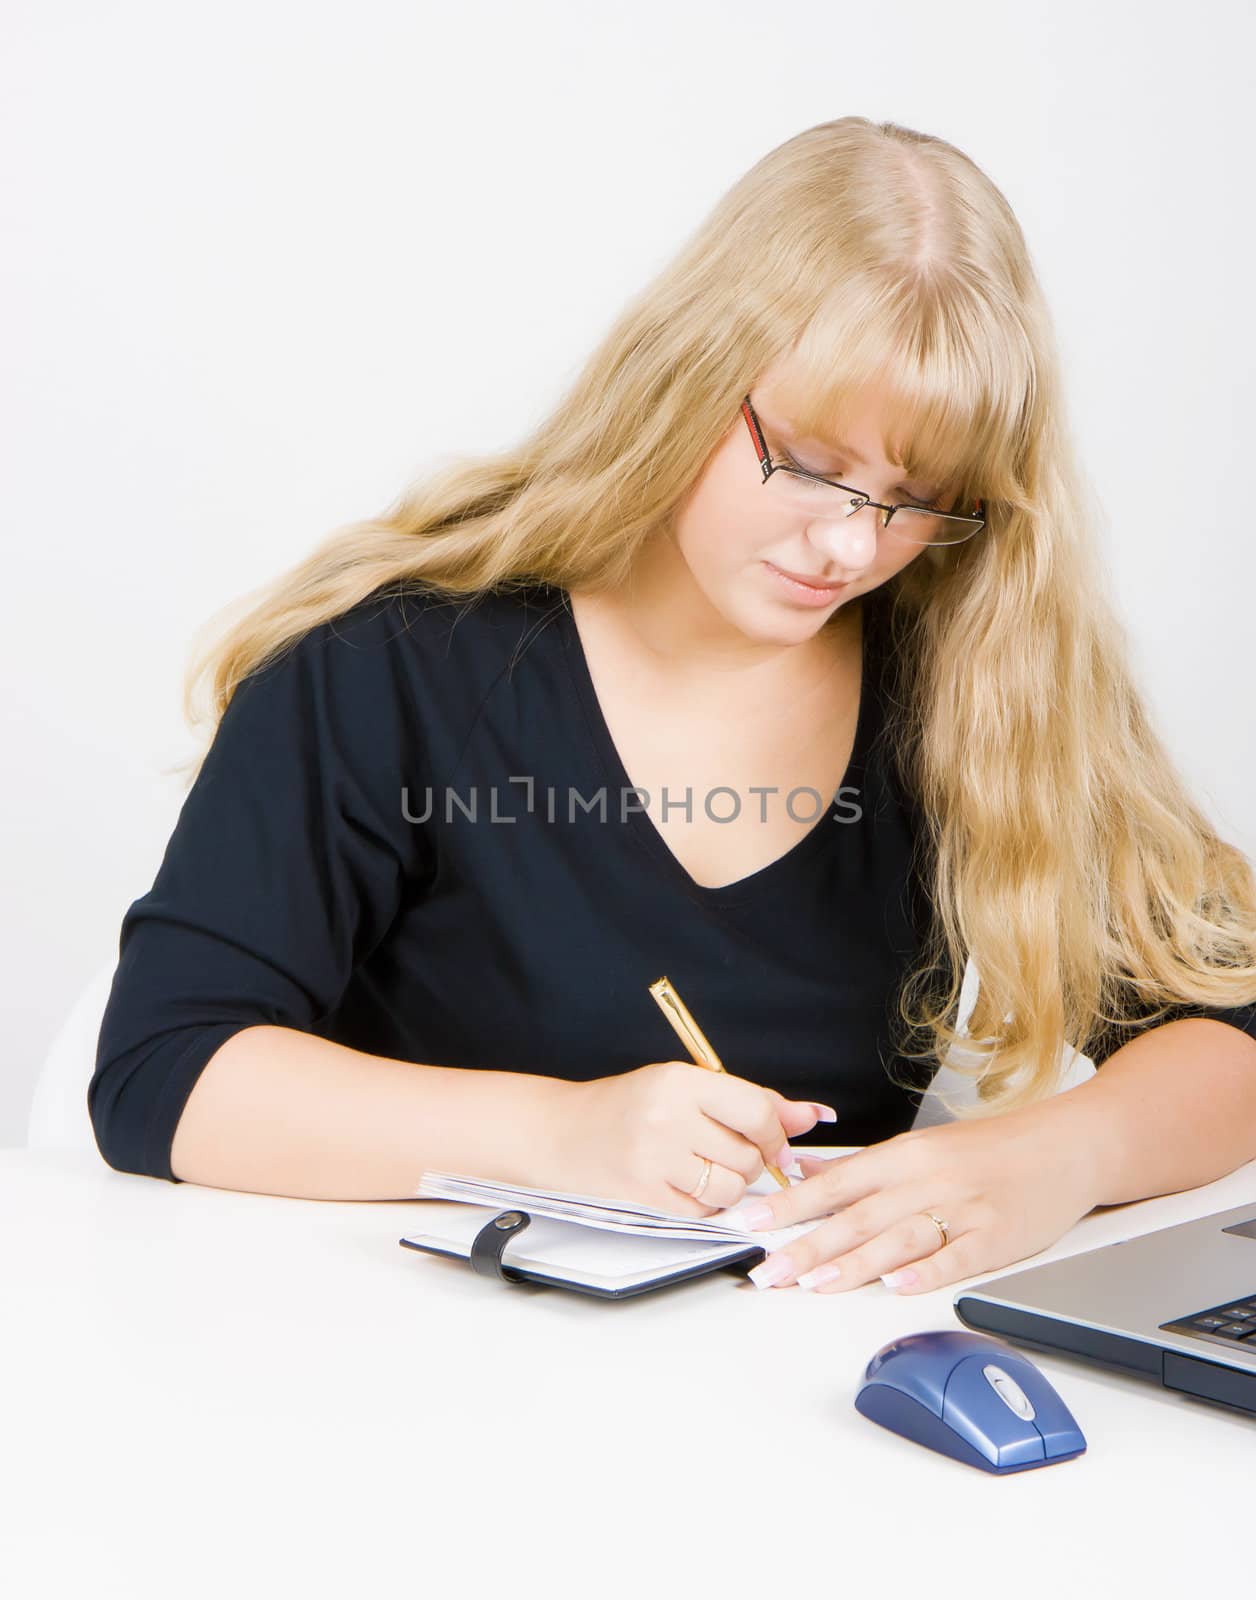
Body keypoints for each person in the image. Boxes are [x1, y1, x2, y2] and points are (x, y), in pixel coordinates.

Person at [90, 116, 1256, 1297]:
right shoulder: (388, 665)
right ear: (688, 379)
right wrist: (560, 1135)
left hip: (808, 1399)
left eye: (916, 497)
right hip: (398, 1363)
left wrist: (1055, 1154)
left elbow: (1233, 1024)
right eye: (804, 461)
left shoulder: (980, 672)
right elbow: (164, 1072)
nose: (851, 543)